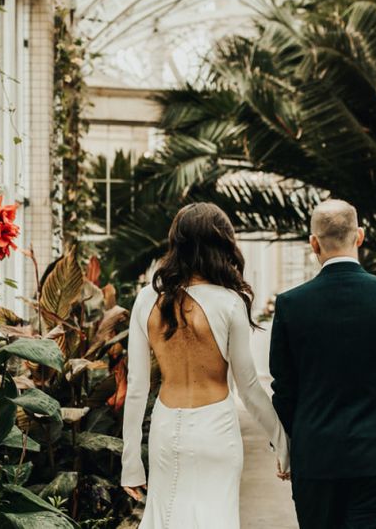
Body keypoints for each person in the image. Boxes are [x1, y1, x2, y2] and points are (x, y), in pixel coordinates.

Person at [121, 202, 290, 528]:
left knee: (166, 517)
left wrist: (131, 462)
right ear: (222, 244)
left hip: (166, 428)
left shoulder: (146, 300)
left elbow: (137, 388)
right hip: (216, 431)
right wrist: (282, 442)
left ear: (177, 243)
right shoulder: (229, 302)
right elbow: (249, 387)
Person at [270, 199, 376, 529]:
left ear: (314, 243)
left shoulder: (291, 305)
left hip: (315, 458)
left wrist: (292, 444)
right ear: (360, 236)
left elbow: (284, 390)